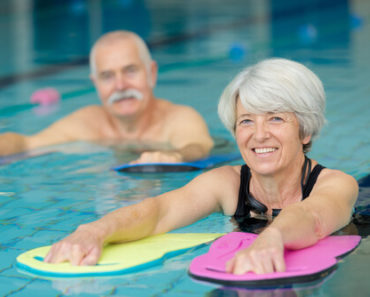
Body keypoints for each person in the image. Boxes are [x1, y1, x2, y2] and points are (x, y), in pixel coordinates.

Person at [44, 58, 358, 274]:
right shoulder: (227, 184)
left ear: (305, 130)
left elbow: (312, 217)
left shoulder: (337, 184)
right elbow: (158, 212)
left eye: (276, 118)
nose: (259, 134)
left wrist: (271, 238)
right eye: (246, 121)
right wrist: (93, 232)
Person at [0, 31, 213, 163]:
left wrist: (175, 157)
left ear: (152, 73)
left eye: (130, 70)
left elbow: (197, 147)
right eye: (107, 76)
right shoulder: (88, 123)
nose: (120, 86)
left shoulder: (179, 119)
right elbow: (26, 144)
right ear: (96, 84)